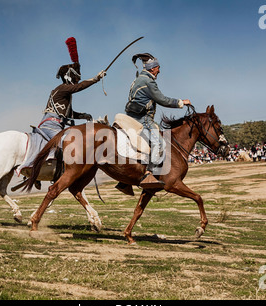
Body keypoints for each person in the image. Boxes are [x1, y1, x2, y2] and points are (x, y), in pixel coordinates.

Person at [115, 53, 191, 193]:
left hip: (132, 117)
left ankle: (124, 181)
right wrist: (181, 102)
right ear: (152, 68)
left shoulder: (138, 79)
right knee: (159, 143)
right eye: (158, 68)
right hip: (143, 120)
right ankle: (149, 174)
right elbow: (162, 100)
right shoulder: (148, 81)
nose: (159, 71)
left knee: (137, 148)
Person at [38, 37, 106, 139]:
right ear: (69, 77)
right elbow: (79, 87)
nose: (77, 81)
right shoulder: (62, 88)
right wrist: (96, 78)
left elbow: (69, 114)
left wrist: (83, 116)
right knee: (66, 148)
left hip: (57, 125)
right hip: (51, 126)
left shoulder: (65, 92)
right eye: (76, 79)